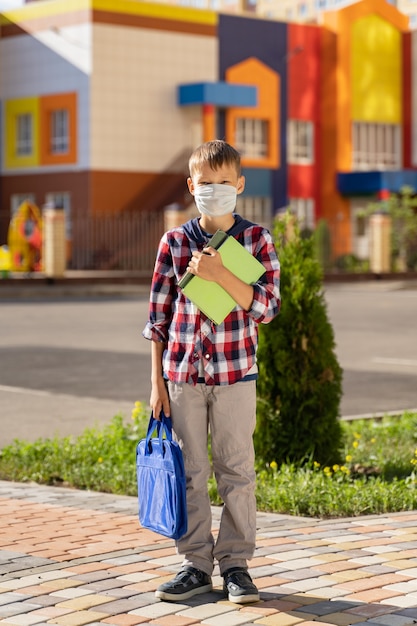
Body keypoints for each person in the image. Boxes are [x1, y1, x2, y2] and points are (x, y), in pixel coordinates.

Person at [142, 139, 281, 604]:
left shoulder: (257, 240)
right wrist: (156, 384)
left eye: (224, 182)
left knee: (237, 470)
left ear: (239, 184)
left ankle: (236, 565)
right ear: (191, 186)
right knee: (191, 471)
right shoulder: (174, 243)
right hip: (181, 376)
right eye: (206, 183)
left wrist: (222, 274)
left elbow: (267, 308)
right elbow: (157, 320)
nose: (215, 190)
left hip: (236, 376)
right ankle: (195, 564)